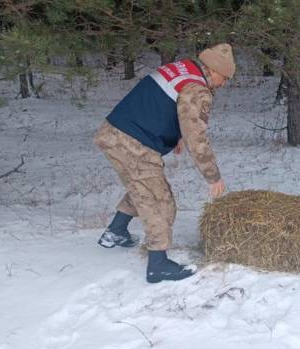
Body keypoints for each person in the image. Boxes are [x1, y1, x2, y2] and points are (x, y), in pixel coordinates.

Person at [93, 43, 235, 283]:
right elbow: (197, 137)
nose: (224, 83)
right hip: (133, 142)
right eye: (225, 77)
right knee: (160, 200)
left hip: (116, 132)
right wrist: (213, 176)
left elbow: (165, 104)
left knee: (143, 187)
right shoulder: (197, 88)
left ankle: (116, 231)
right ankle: (158, 265)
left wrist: (175, 135)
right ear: (213, 70)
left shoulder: (183, 68)